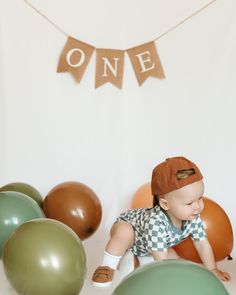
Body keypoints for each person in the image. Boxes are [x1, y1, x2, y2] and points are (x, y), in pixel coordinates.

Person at [92, 156, 231, 287]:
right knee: (125, 233)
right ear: (165, 205)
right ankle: (107, 267)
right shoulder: (156, 221)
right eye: (189, 203)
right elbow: (160, 258)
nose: (198, 206)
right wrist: (167, 279)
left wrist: (212, 269)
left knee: (174, 262)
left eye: (200, 198)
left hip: (148, 245)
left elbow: (202, 244)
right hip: (131, 228)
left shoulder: (192, 217)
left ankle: (136, 260)